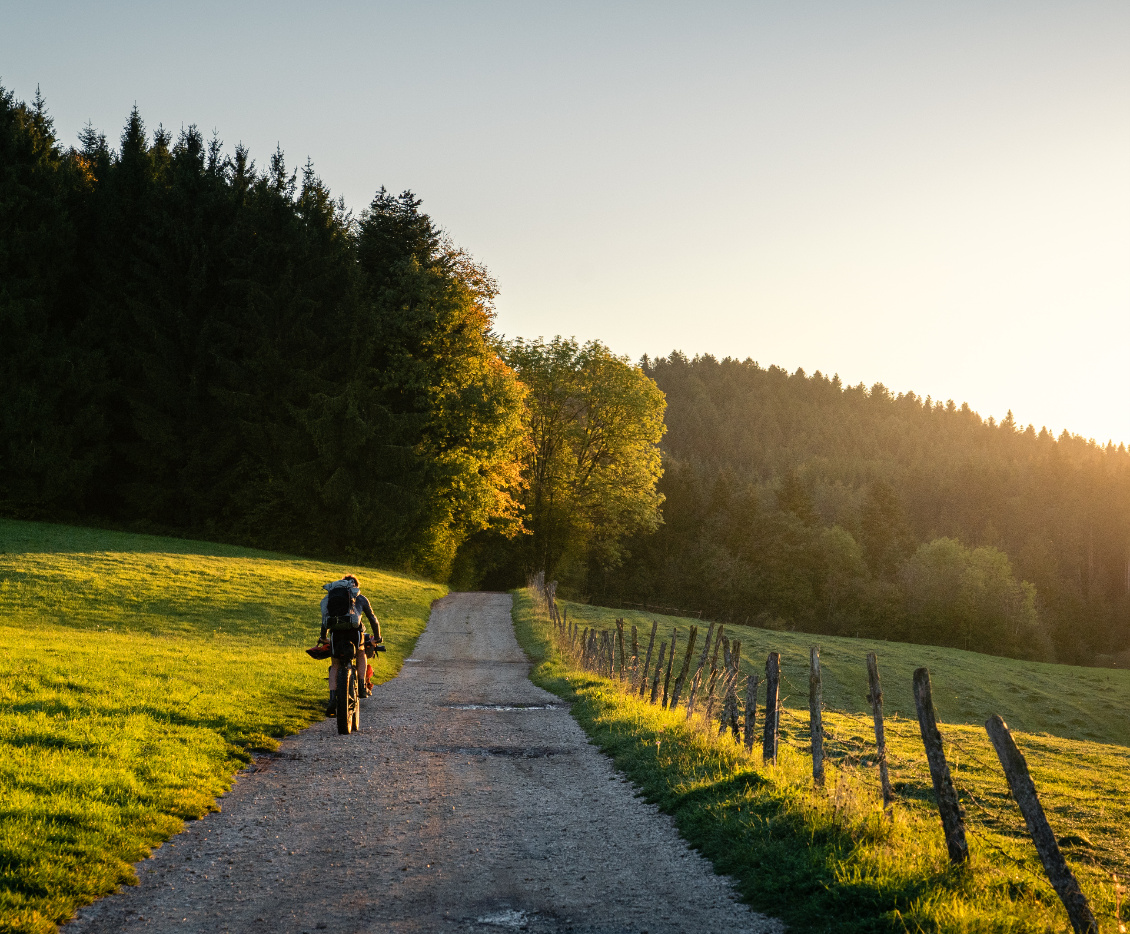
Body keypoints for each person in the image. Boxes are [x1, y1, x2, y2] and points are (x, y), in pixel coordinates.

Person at [319, 574, 383, 715]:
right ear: (356, 586)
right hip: (355, 633)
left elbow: (325, 619)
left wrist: (323, 637)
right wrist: (377, 637)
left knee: (335, 665)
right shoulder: (360, 598)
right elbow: (373, 619)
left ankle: (332, 699)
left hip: (336, 633)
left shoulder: (331, 598)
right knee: (361, 652)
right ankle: (361, 686)